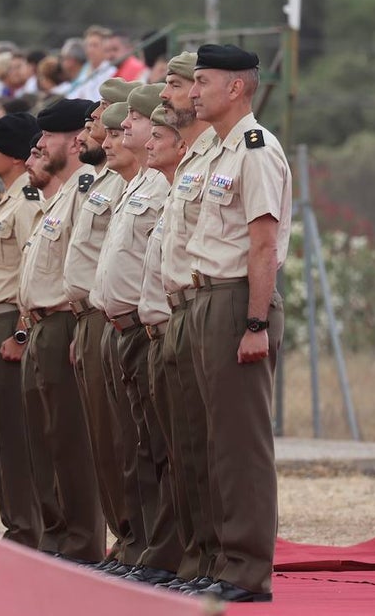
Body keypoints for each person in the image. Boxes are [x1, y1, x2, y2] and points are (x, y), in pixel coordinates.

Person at [183, 44, 290, 603]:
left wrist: (255, 323)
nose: (193, 91)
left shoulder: (255, 150)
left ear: (236, 87)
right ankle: (224, 560)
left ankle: (248, 569)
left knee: (241, 443)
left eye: (203, 81)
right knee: (215, 441)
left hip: (236, 302)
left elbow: (263, 244)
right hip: (208, 298)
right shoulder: (219, 151)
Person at [90, 84, 177, 584]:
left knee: (158, 446)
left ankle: (160, 552)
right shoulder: (138, 183)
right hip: (118, 323)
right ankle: (138, 545)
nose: (120, 129)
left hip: (148, 326)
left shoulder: (163, 183)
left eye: (131, 122)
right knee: (132, 446)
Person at [17, 98, 102, 561]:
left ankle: (81, 543)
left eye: (49, 136)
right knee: (44, 442)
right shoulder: (61, 196)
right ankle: (54, 539)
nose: (41, 144)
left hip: (64, 321)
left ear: (72, 143)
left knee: (70, 441)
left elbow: (84, 266)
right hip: (40, 326)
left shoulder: (85, 189)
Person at [63, 78, 141, 569]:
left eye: (109, 118)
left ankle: (144, 544)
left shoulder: (134, 180)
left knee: (129, 438)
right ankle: (128, 541)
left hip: (122, 319)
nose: (99, 127)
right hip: (92, 317)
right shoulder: (104, 180)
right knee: (106, 441)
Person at [157, 51, 224, 592]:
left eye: (186, 84)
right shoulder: (194, 160)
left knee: (221, 443)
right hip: (181, 309)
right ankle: (201, 558)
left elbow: (261, 243)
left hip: (211, 304)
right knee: (184, 446)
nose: (175, 94)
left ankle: (232, 562)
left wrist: (253, 321)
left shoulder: (239, 152)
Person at [0, 113, 44, 548]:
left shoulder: (28, 200)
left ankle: (27, 528)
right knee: (2, 431)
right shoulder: (9, 198)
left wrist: (20, 334)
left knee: (17, 434)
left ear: (16, 155)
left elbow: (30, 271)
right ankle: (18, 525)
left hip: (9, 323)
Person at [137, 104, 190, 582]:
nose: (147, 144)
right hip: (148, 328)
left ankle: (204, 560)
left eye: (156, 134)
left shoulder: (249, 152)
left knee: (190, 450)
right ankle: (153, 552)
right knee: (147, 450)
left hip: (179, 322)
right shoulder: (162, 186)